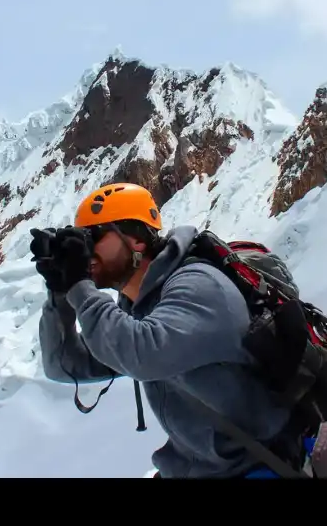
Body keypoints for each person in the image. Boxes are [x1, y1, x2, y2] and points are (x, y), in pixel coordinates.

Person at [31, 182, 307, 479]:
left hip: (258, 466)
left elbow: (142, 354)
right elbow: (63, 365)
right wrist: (60, 292)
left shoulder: (198, 285)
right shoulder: (138, 305)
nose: (85, 253)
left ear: (135, 240)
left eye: (92, 237)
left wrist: (79, 285)